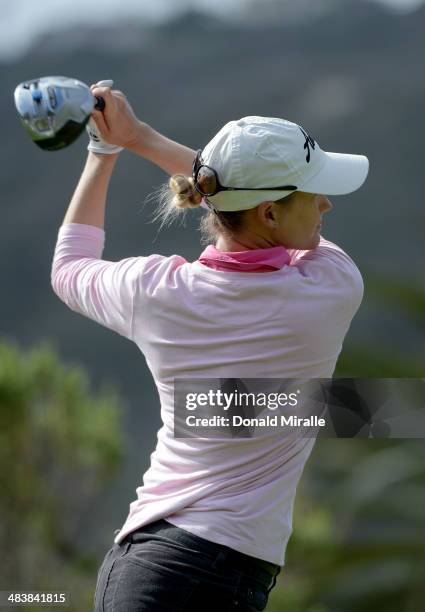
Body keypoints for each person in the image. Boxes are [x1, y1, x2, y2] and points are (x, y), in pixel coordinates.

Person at [51, 82, 369, 612]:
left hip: (155, 568)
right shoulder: (329, 287)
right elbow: (224, 189)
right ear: (268, 214)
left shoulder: (154, 292)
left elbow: (68, 268)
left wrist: (106, 150)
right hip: (204, 573)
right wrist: (142, 139)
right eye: (313, 192)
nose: (326, 203)